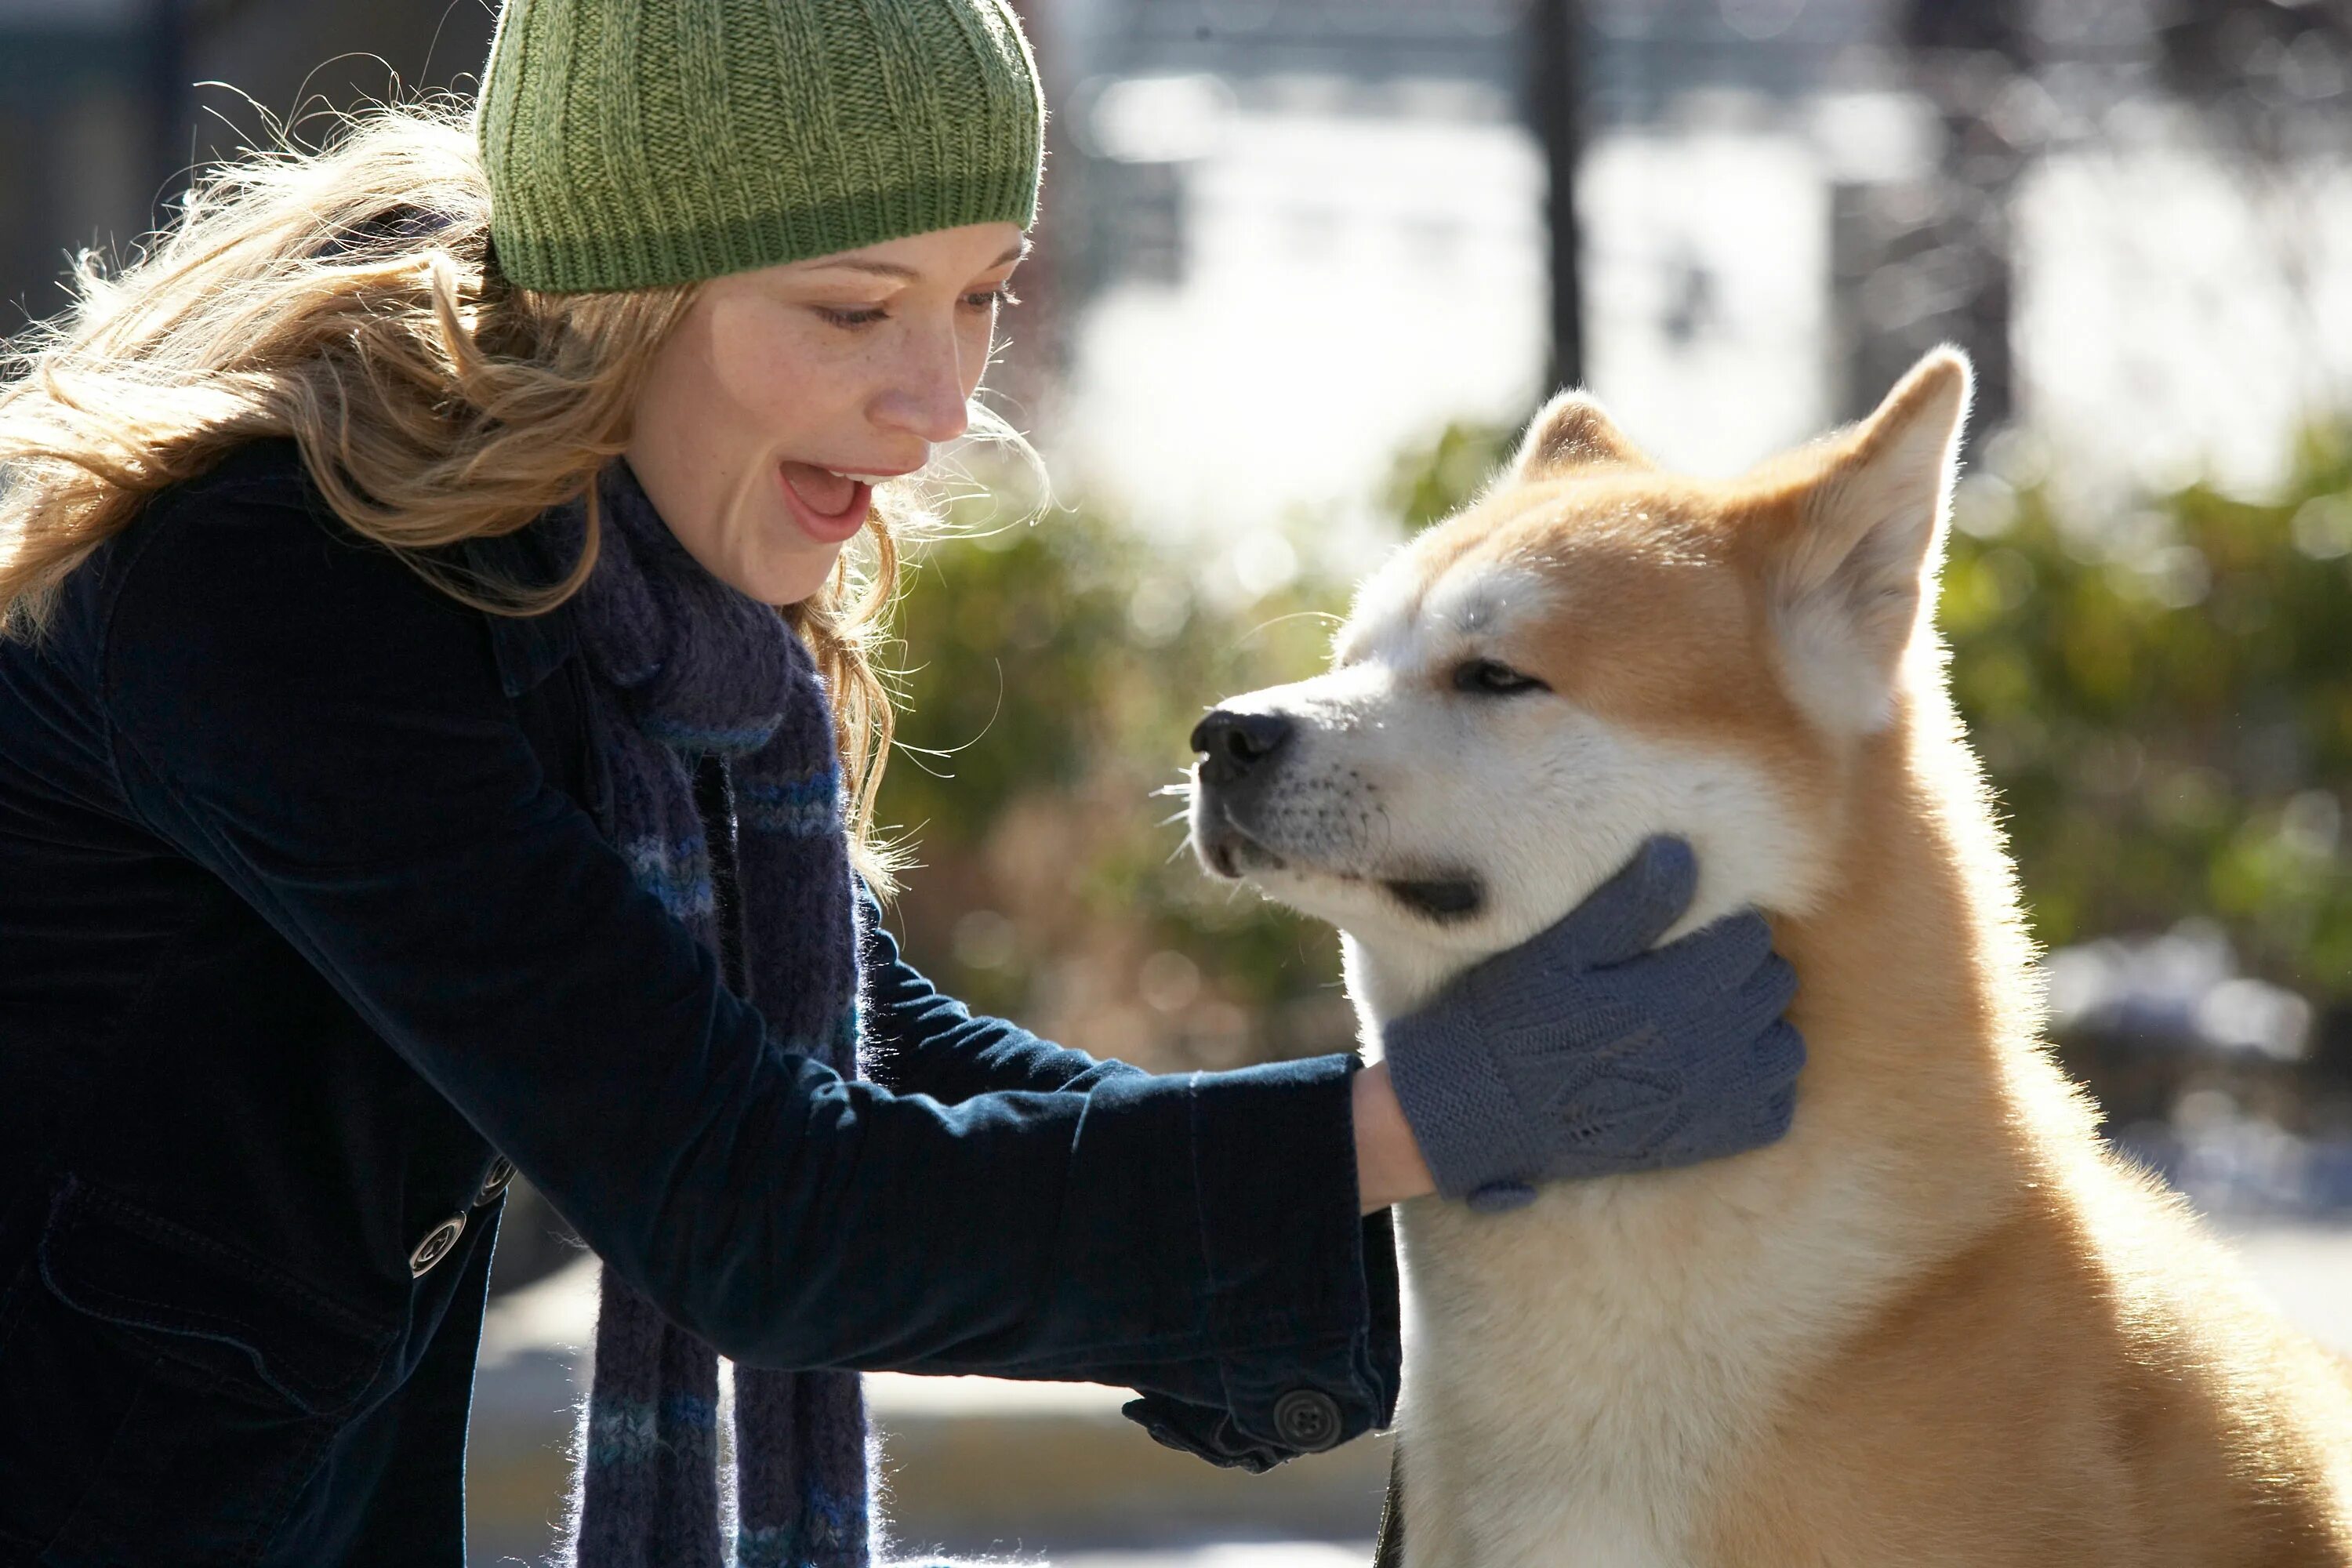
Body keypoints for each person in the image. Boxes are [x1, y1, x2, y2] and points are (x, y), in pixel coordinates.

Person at [0, 2, 1806, 1564]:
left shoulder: (631, 586)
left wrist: (1427, 1228)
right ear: (630, 289)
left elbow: (860, 1049)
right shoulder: (275, 595)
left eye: (977, 297)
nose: (939, 404)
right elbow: (757, 1198)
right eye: (857, 307)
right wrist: (1447, 1111)